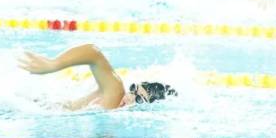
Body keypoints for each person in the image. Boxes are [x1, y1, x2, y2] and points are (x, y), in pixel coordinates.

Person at [18, 44, 176, 110]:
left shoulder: (114, 108)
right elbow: (93, 52)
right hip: (39, 107)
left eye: (139, 99)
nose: (130, 97)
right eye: (134, 90)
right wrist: (53, 64)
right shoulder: (116, 93)